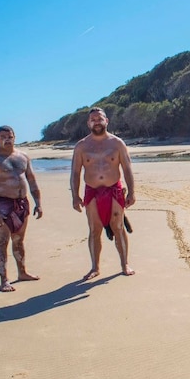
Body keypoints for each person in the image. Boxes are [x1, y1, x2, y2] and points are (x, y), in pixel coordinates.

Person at [70, 107, 136, 280]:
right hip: (92, 191)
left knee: (119, 227)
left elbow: (127, 168)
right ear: (88, 123)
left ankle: (124, 264)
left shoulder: (117, 143)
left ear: (106, 121)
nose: (96, 122)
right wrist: (75, 196)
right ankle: (95, 268)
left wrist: (132, 192)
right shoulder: (81, 146)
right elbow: (75, 173)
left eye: (100, 119)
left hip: (114, 189)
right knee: (94, 230)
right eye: (93, 119)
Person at [0, 125, 43, 292]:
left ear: (14, 137)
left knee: (19, 240)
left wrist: (38, 202)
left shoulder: (23, 156)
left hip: (22, 203)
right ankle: (4, 280)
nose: (7, 139)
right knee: (2, 242)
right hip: (3, 205)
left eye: (9, 136)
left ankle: (22, 272)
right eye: (3, 137)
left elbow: (32, 180)